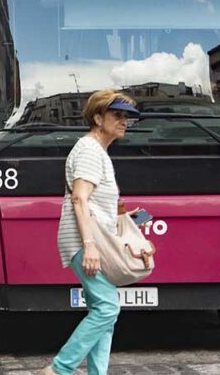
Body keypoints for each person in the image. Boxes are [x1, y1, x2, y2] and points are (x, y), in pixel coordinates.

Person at [43, 90, 140, 375]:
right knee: (108, 308)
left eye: (127, 117)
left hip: (91, 239)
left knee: (103, 312)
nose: (124, 122)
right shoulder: (88, 150)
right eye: (117, 115)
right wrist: (90, 246)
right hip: (83, 241)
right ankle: (57, 370)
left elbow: (92, 201)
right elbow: (79, 199)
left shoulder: (98, 151)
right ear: (98, 118)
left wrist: (122, 216)